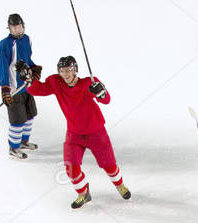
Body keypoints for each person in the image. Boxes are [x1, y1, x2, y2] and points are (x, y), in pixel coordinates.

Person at [27, 55, 130, 209]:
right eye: (62, 71)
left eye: (69, 70)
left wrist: (101, 92)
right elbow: (37, 90)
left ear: (75, 69)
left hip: (96, 131)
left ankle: (120, 185)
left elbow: (106, 100)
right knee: (71, 168)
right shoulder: (56, 82)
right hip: (74, 133)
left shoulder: (89, 82)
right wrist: (28, 80)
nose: (66, 74)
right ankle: (83, 193)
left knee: (109, 164)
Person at [0, 13, 39, 159]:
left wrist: (33, 69)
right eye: (13, 27)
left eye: (19, 26)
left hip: (27, 85)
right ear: (9, 28)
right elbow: (3, 67)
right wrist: (5, 89)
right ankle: (13, 149)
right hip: (14, 89)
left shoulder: (27, 39)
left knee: (29, 115)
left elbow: (28, 59)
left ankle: (23, 142)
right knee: (17, 120)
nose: (16, 30)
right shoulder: (5, 45)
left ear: (23, 25)